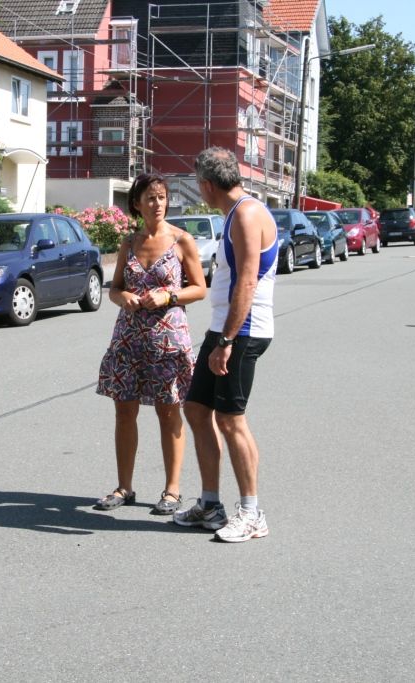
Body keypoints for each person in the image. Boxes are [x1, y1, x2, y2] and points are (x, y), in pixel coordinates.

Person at [174, 147, 277, 543]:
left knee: (231, 419)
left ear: (206, 185)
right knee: (197, 409)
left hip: (242, 332)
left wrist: (228, 341)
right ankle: (210, 504)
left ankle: (252, 513)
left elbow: (247, 281)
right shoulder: (235, 213)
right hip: (225, 330)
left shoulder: (247, 214)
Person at [95, 173, 207, 514]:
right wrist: (123, 297)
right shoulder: (129, 242)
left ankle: (172, 490)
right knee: (124, 411)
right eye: (150, 197)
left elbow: (199, 288)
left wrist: (169, 296)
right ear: (137, 203)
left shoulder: (182, 240)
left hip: (167, 340)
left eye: (161, 197)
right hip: (128, 339)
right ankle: (124, 487)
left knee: (168, 410)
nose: (157, 203)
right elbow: (114, 288)